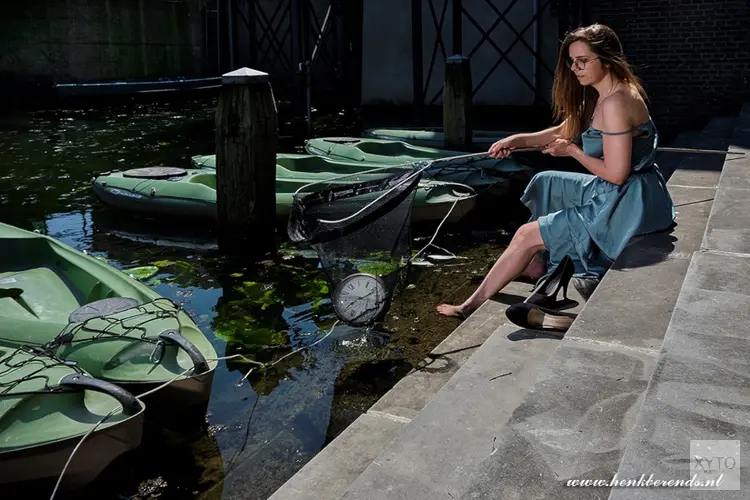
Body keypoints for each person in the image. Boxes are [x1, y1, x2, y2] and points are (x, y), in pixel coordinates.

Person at [436, 23, 675, 319]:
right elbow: (566, 129)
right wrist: (517, 141)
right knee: (544, 181)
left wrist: (572, 151)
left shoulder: (615, 103)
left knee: (524, 234)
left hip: (627, 204)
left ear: (608, 58)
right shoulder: (604, 92)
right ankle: (536, 263)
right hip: (638, 192)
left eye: (583, 61)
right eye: (571, 61)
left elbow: (616, 175)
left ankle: (469, 305)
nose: (575, 68)